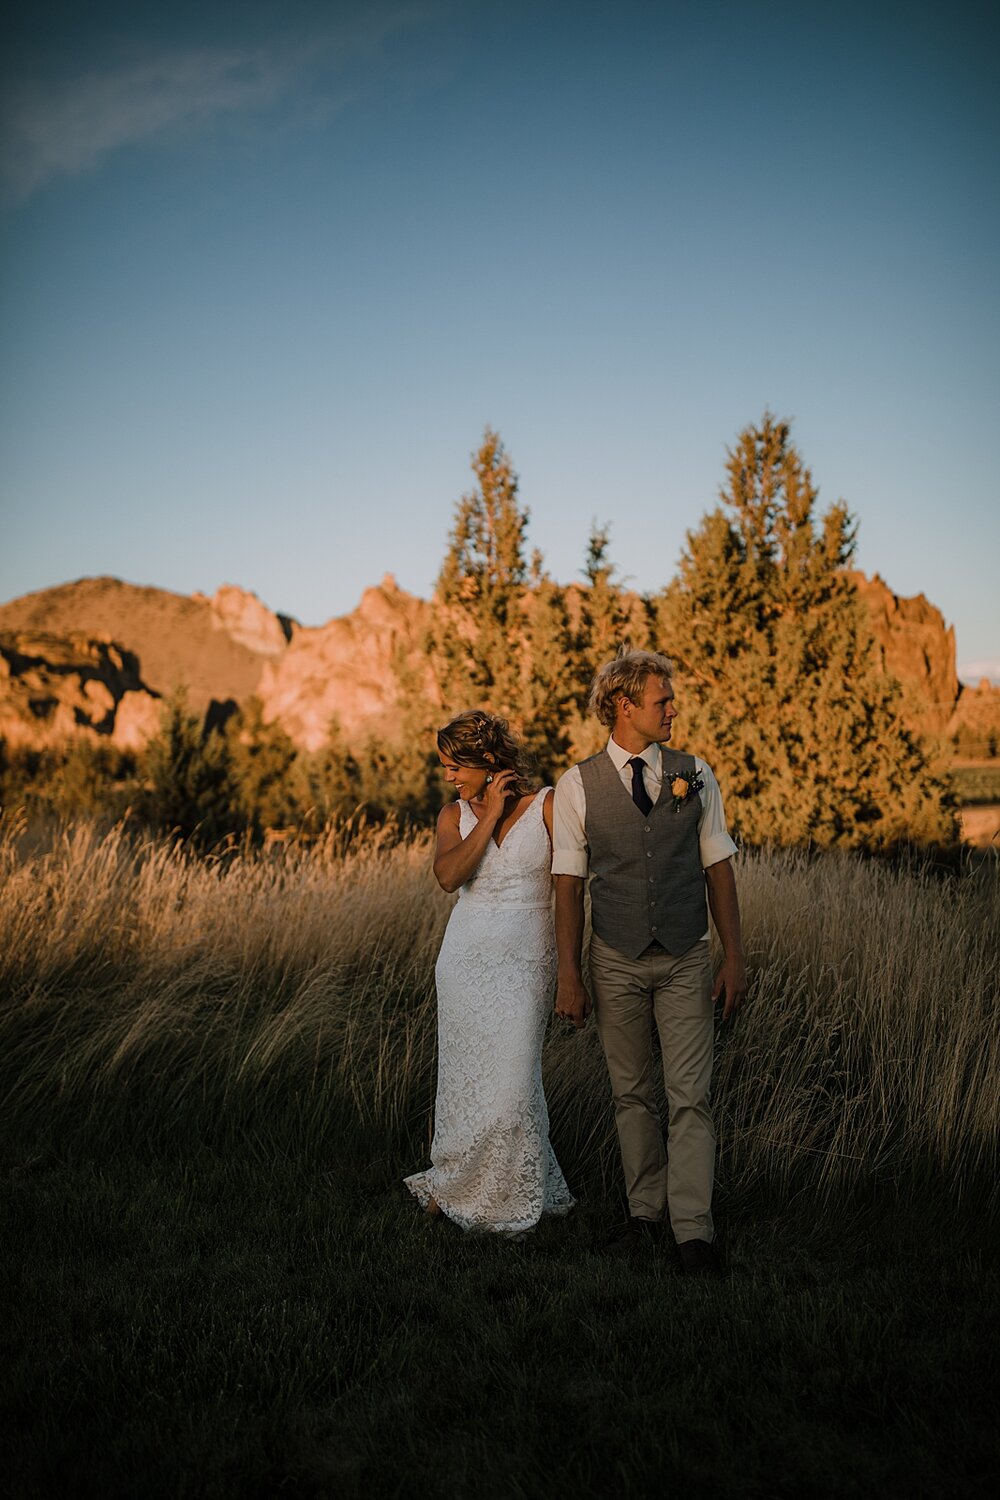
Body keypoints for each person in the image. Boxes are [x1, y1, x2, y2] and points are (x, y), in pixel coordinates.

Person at [552, 649, 746, 1273]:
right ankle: (644, 1216)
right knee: (632, 1094)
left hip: (688, 956)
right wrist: (570, 974)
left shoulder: (697, 773)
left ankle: (694, 1232)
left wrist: (732, 956)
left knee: (691, 1095)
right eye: (661, 699)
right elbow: (568, 885)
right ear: (623, 705)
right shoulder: (577, 785)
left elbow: (718, 865)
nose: (672, 708)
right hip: (614, 959)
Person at [404, 710, 574, 1235]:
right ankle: (458, 1184)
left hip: (527, 957)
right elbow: (449, 877)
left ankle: (506, 1198)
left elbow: (569, 887)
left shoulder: (547, 805)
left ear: (487, 760)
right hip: (465, 959)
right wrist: (490, 809)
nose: (450, 776)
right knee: (466, 1084)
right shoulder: (452, 816)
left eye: (457, 766)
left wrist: (572, 970)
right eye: (446, 767)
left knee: (513, 1087)